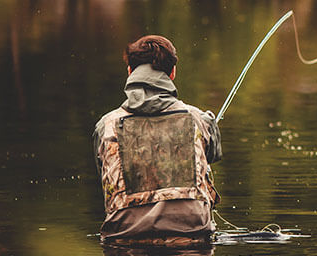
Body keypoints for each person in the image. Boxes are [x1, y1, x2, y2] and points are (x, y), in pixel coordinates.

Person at [93, 35, 222, 245]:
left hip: (123, 241)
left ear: (129, 72)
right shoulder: (200, 120)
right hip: (193, 239)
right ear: (172, 73)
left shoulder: (105, 126)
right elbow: (213, 156)